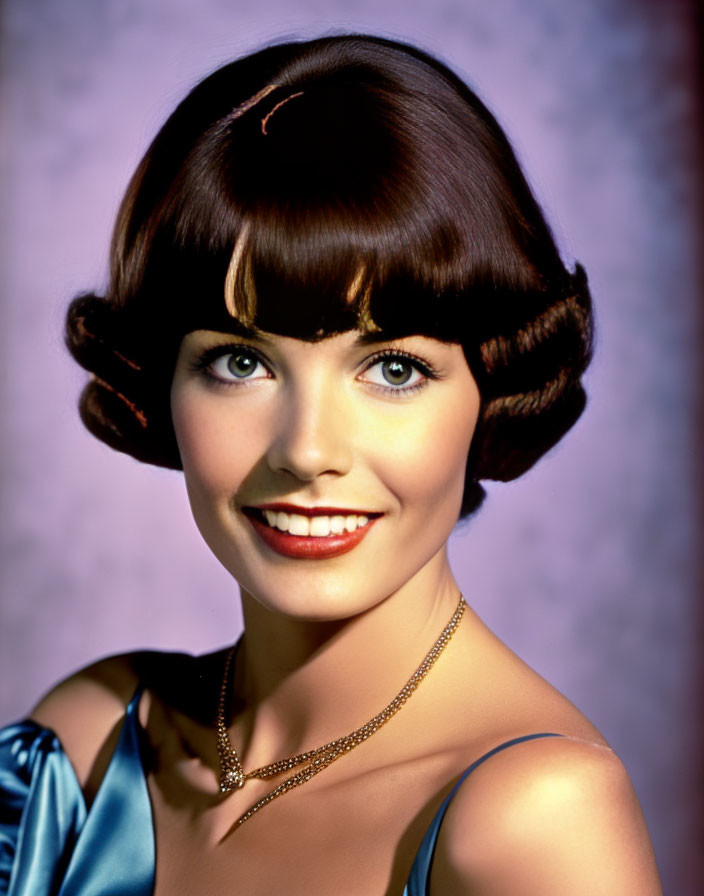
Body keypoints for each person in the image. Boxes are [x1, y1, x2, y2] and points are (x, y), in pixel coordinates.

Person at [0, 34, 662, 895]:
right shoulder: (81, 757)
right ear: (162, 386)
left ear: (492, 390)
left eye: (393, 369)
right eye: (241, 362)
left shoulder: (532, 820)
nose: (308, 450)